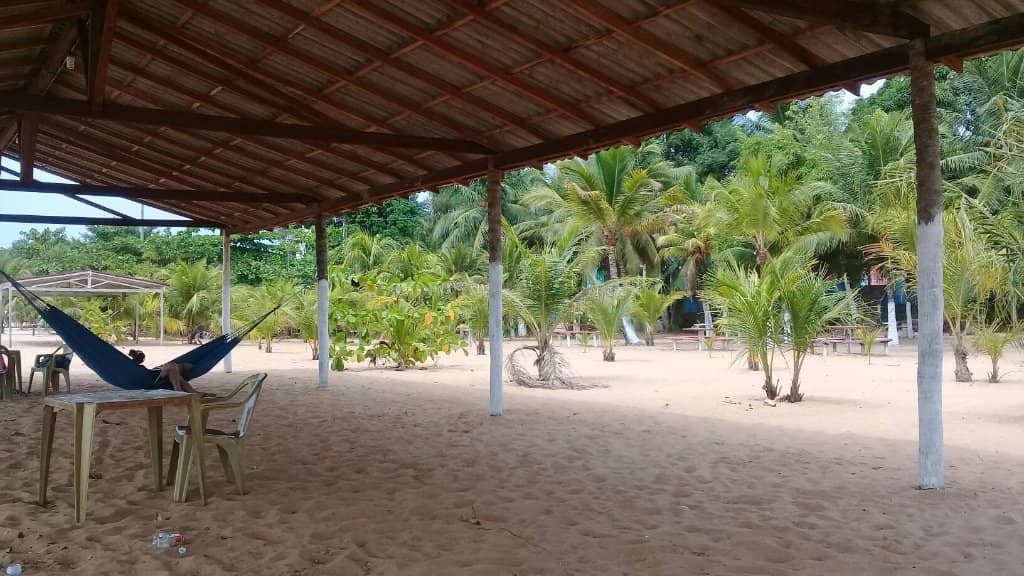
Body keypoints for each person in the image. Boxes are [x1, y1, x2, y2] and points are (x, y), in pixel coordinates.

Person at [128, 349, 211, 396]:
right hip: (153, 380)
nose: (142, 359)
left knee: (176, 374)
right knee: (172, 365)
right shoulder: (133, 366)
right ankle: (178, 390)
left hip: (158, 375)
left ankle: (194, 393)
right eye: (141, 357)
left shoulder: (137, 366)